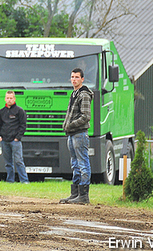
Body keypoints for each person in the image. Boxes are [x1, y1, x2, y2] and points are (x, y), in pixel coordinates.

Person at [59, 68, 93, 204]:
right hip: (72, 134)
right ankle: (75, 194)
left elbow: (86, 116)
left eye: (77, 77)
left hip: (80, 134)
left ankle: (83, 196)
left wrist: (71, 125)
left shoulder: (84, 94)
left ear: (82, 79)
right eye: (72, 77)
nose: (74, 79)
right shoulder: (74, 93)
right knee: (75, 164)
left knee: (83, 164)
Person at [0, 91, 29, 184]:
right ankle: (10, 180)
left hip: (15, 141)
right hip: (4, 140)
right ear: (5, 99)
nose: (9, 100)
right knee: (8, 163)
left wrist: (18, 138)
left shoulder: (19, 111)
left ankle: (24, 180)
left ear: (14, 99)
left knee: (19, 161)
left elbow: (23, 125)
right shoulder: (2, 111)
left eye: (11, 98)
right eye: (7, 98)